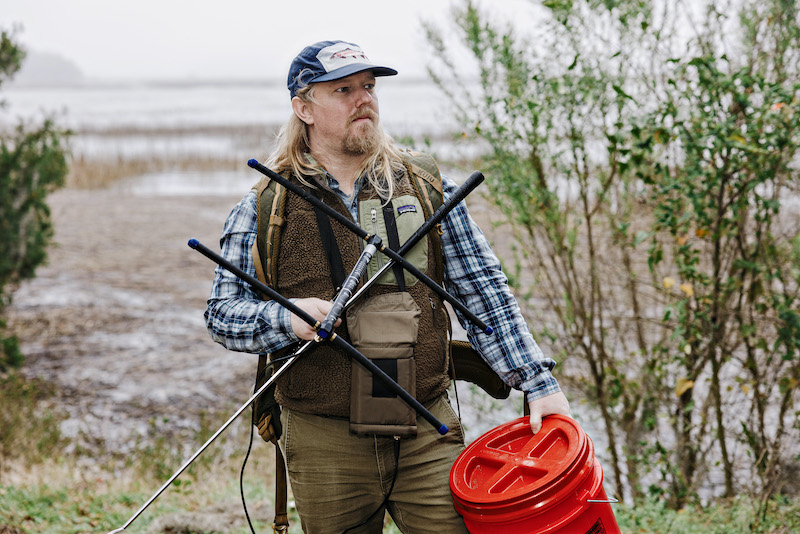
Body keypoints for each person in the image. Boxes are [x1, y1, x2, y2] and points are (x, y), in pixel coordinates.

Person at [205, 40, 570, 533]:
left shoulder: (423, 186)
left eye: (369, 87)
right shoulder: (264, 206)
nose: (365, 100)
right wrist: (286, 318)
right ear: (303, 107)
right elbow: (222, 316)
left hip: (428, 429)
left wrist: (537, 382)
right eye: (344, 90)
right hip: (323, 441)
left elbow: (484, 293)